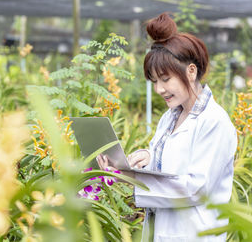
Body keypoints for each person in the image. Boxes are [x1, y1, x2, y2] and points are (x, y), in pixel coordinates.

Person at [97, 12, 237, 242]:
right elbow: (171, 166)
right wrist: (143, 158)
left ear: (191, 71)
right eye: (154, 81)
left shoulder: (214, 121)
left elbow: (195, 188)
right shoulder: (169, 118)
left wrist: (130, 181)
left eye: (165, 79)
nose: (160, 89)